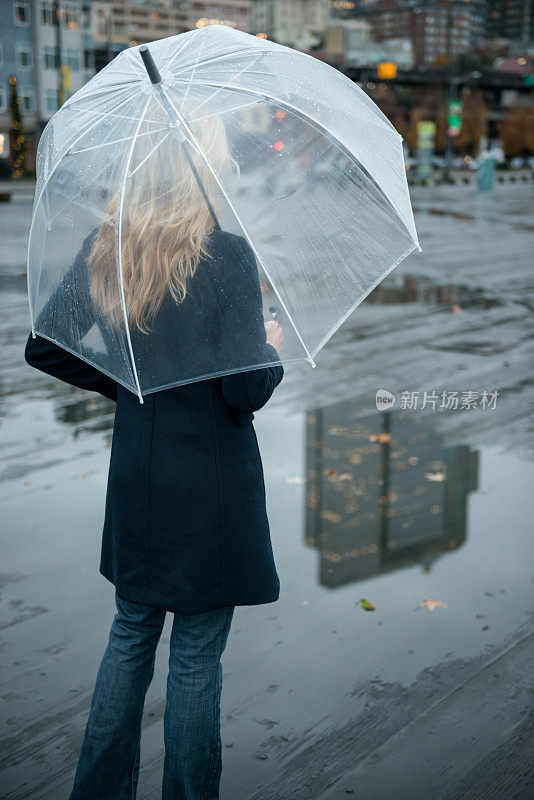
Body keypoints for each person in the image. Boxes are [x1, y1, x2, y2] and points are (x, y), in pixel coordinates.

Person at [24, 103, 284, 799]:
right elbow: (242, 391)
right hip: (210, 492)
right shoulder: (226, 255)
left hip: (139, 481)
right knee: (196, 657)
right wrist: (271, 352)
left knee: (131, 635)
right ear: (201, 161)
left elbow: (45, 345)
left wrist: (135, 388)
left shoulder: (107, 245)